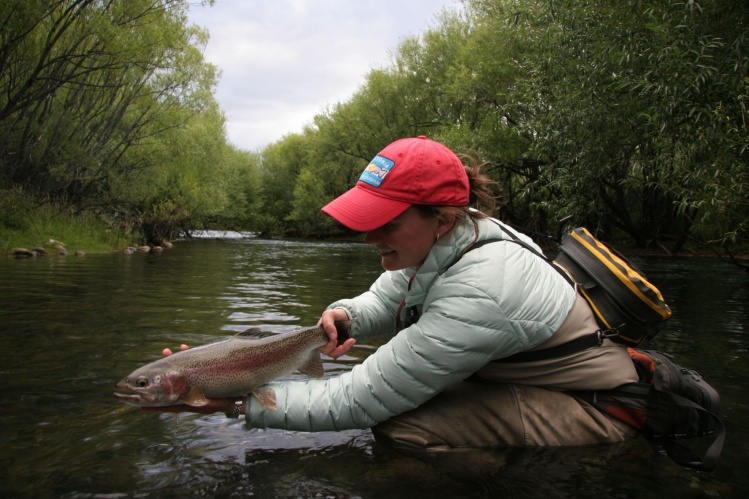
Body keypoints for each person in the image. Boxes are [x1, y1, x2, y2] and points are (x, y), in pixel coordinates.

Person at [153, 136, 639, 451]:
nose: (369, 237)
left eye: (385, 223)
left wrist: (237, 403)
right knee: (413, 396)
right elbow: (387, 301)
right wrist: (344, 317)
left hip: (600, 407)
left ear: (442, 219)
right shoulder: (454, 239)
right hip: (535, 384)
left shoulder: (484, 287)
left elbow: (359, 399)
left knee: (402, 426)